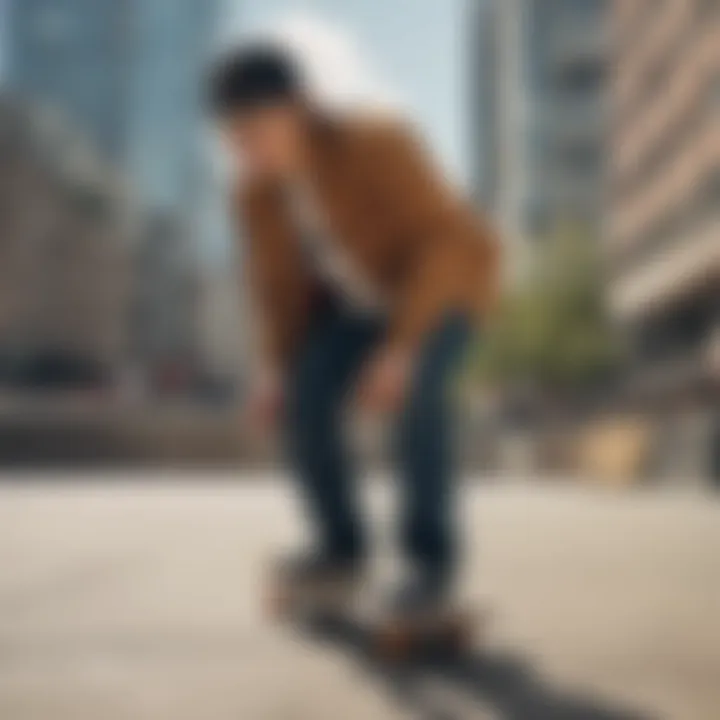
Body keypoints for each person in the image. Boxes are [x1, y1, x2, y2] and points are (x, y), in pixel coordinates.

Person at [209, 44, 500, 619]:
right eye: (234, 137)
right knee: (303, 397)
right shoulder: (253, 193)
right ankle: (340, 549)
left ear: (300, 108)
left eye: (258, 130)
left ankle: (427, 562)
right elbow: (274, 290)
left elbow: (442, 244)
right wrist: (273, 371)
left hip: (440, 287)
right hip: (353, 309)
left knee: (418, 399)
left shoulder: (378, 142)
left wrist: (403, 351)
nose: (249, 149)